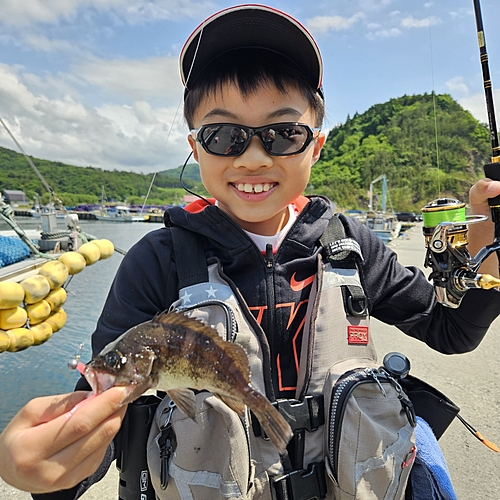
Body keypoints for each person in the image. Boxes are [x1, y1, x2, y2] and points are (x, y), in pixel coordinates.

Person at [1, 4, 500, 499]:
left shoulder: (349, 245)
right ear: (196, 148)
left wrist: (492, 258)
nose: (254, 157)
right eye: (224, 136)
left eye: (284, 134)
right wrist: (52, 469)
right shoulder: (156, 262)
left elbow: (451, 331)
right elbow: (108, 408)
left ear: (317, 145)